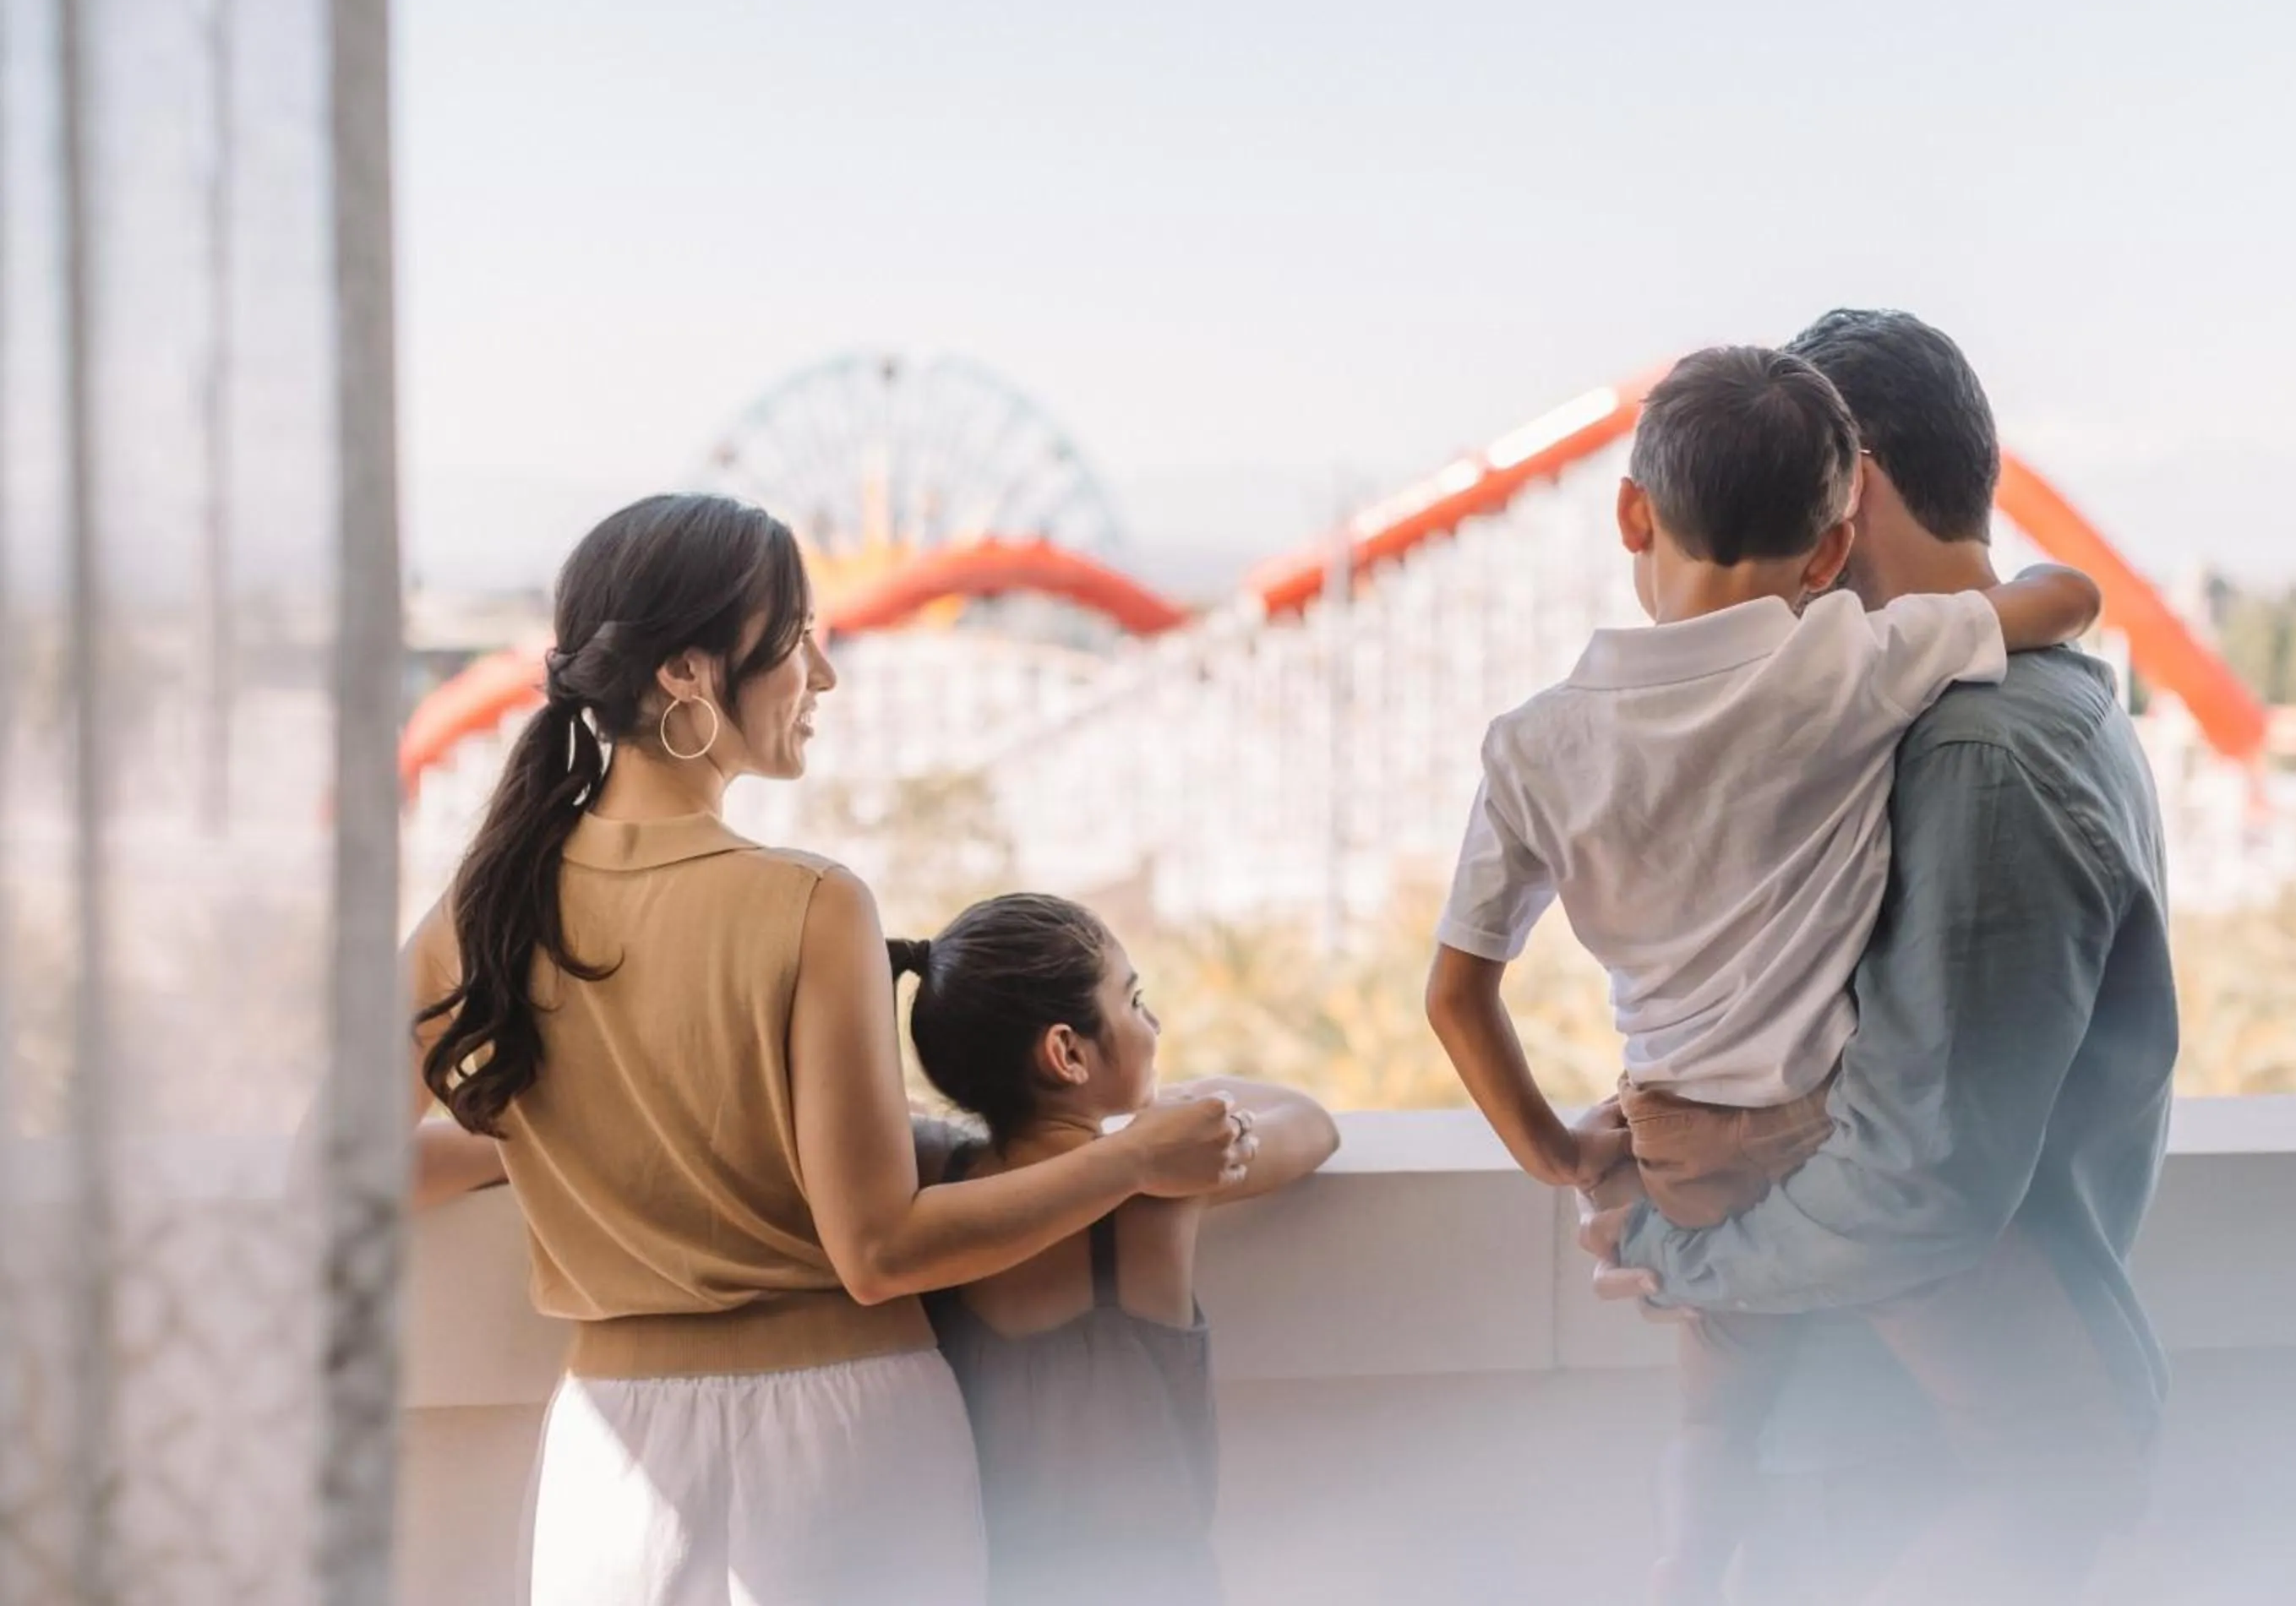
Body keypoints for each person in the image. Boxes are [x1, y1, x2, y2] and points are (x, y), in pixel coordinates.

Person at [403, 493, 1256, 1606]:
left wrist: (553, 1135)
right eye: (799, 638)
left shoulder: (482, 909)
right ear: (688, 673)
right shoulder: (809, 903)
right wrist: (1133, 1158)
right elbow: (880, 1250)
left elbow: (330, 1172)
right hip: (843, 1449)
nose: (826, 674)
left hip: (611, 1464)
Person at [1423, 344, 2102, 1605]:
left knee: (1713, 1421)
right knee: (2050, 1449)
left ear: (1633, 513)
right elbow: (2064, 602)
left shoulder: (1532, 744)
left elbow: (1456, 996)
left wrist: (1563, 1154)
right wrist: (2039, 587)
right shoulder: (1840, 660)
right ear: (1833, 547)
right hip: (1823, 1127)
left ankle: (1686, 1563)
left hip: (1674, 1142)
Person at [1579, 311, 2178, 1606]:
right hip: (1900, 1429)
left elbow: (1919, 1181)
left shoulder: (1975, 749)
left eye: (1792, 501)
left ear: (1857, 492)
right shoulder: (2019, 699)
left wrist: (1682, 1253)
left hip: (1902, 1463)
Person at [895, 893, 1340, 1606]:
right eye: (1134, 1002)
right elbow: (1312, 1123)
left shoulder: (931, 1173)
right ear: (1067, 1053)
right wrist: (1176, 1114)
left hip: (992, 1584)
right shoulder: (1155, 1201)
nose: (1153, 1023)